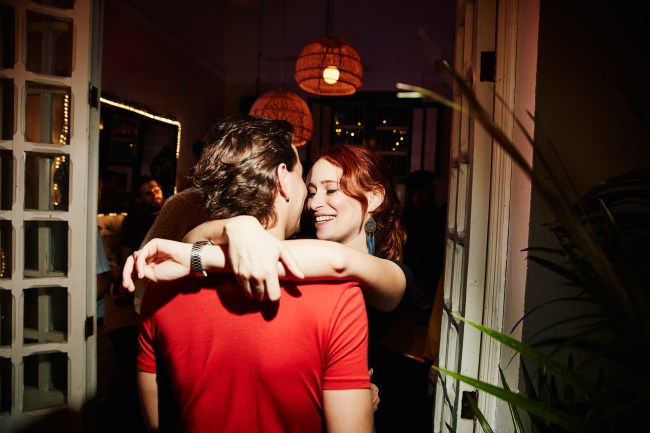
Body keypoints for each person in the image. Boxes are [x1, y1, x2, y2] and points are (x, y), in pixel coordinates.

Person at [124, 143, 414, 425]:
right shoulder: (297, 246)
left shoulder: (395, 274)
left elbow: (339, 262)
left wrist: (202, 257)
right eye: (311, 191)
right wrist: (236, 227)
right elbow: (194, 238)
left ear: (374, 198)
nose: (314, 203)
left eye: (331, 190)